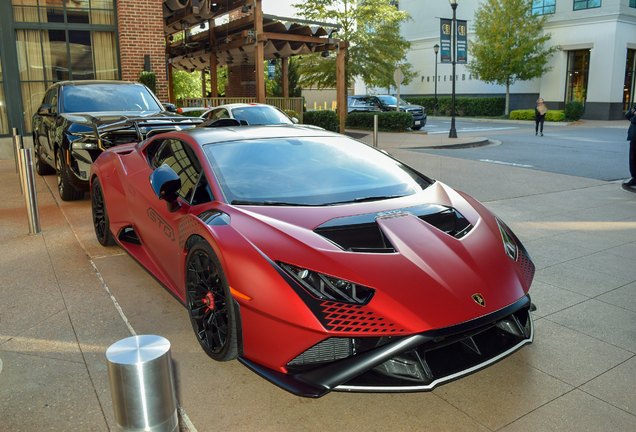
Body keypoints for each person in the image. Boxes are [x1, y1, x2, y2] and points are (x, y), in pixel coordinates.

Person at [624, 104, 636, 189]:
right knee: (633, 159)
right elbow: (627, 115)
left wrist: (633, 115)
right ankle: (634, 178)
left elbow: (633, 119)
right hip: (634, 136)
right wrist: (633, 113)